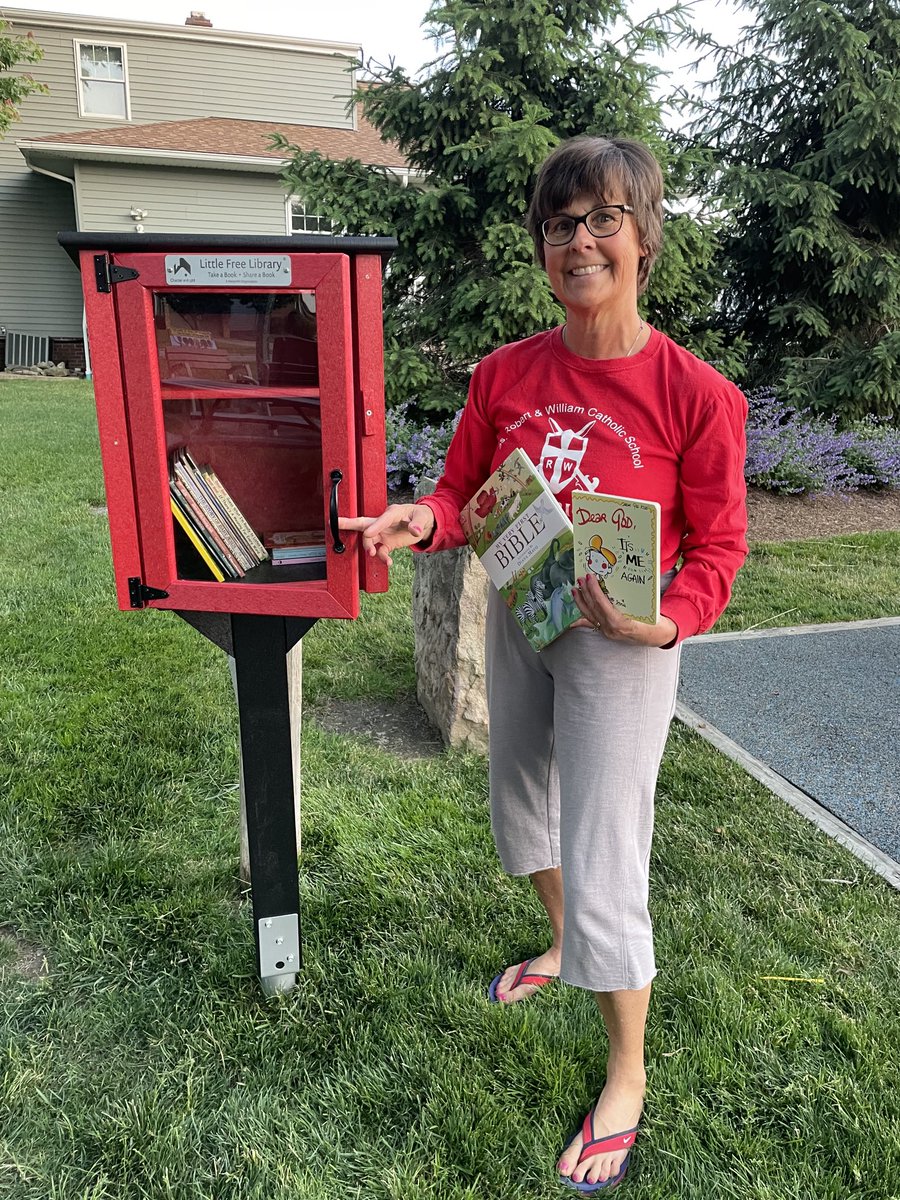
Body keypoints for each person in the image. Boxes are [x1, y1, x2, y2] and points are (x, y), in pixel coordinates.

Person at [340, 135, 748, 1192]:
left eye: (604, 219)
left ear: (643, 236)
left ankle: (626, 1073)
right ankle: (562, 940)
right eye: (561, 224)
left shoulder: (698, 395)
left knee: (607, 846)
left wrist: (667, 626)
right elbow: (462, 490)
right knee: (519, 803)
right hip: (529, 610)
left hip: (623, 643)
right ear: (543, 246)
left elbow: (721, 547)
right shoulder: (507, 372)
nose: (581, 241)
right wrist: (414, 519)